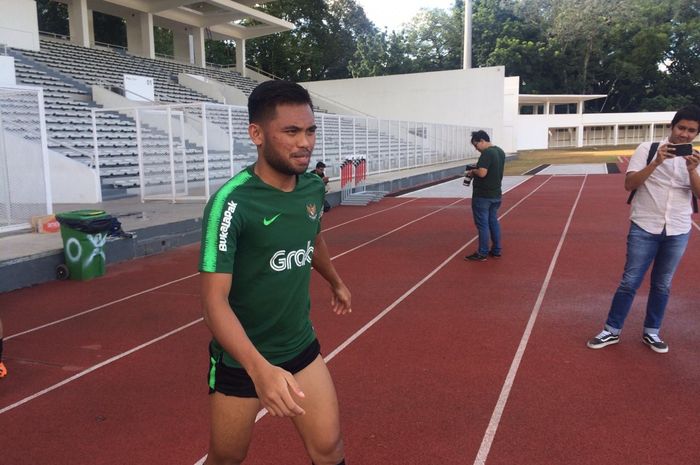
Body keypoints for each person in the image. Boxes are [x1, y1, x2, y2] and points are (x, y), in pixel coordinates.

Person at [199, 80, 352, 465]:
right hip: (242, 362)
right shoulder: (229, 204)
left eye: (310, 130)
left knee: (329, 447)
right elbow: (213, 301)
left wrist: (335, 280)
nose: (305, 143)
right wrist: (259, 371)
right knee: (226, 458)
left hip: (300, 347)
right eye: (291, 131)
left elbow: (312, 239)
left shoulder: (313, 188)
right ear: (257, 134)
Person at [587, 105, 700, 353]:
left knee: (663, 284)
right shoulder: (647, 149)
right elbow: (630, 184)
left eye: (691, 131)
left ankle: (652, 332)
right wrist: (657, 162)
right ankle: (611, 330)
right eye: (681, 128)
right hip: (645, 226)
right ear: (672, 126)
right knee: (629, 281)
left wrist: (692, 171)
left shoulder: (695, 158)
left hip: (678, 229)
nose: (684, 135)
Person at [464, 130, 506, 262]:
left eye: (476, 145)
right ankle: (496, 250)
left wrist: (472, 171)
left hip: (483, 195)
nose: (476, 149)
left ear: (482, 140)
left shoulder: (487, 153)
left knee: (482, 224)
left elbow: (482, 173)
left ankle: (482, 252)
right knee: (493, 221)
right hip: (496, 193)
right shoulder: (500, 151)